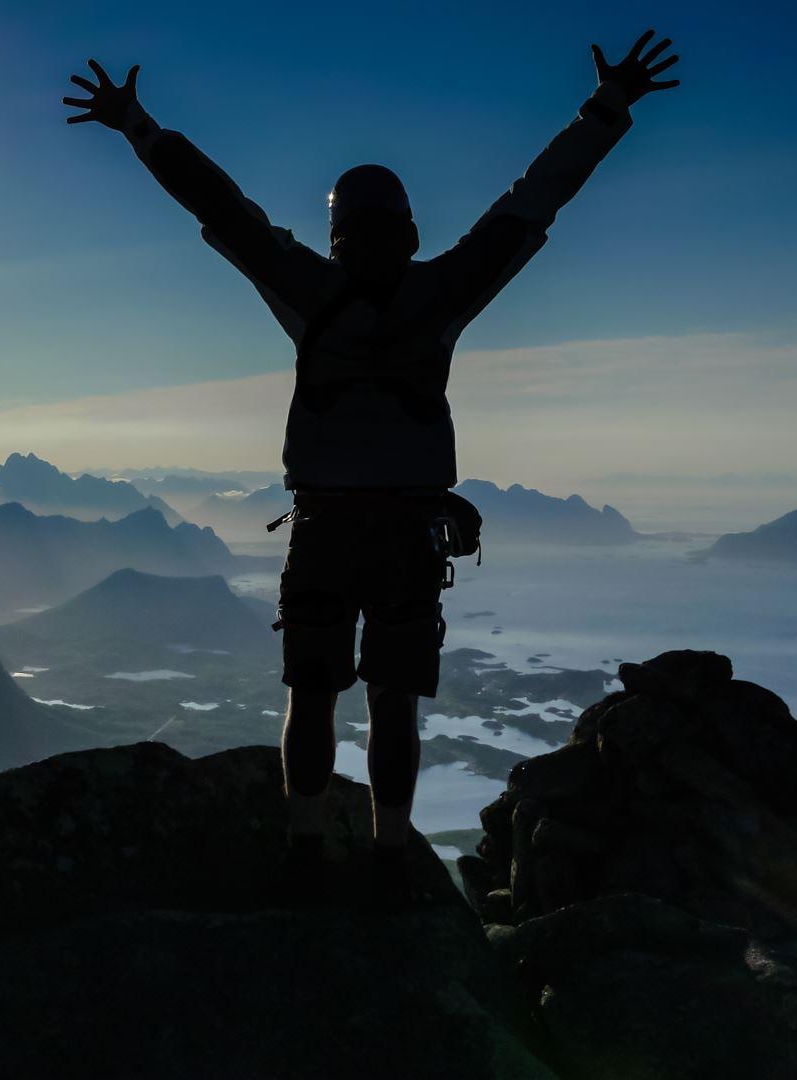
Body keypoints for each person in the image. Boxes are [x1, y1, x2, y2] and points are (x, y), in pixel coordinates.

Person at [65, 32, 679, 905]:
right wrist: (606, 109)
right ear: (407, 230)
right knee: (393, 701)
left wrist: (135, 124)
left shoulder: (304, 288)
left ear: (337, 235)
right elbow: (533, 201)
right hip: (404, 533)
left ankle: (305, 849)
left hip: (322, 529)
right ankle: (391, 857)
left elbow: (220, 207)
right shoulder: (444, 293)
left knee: (310, 695)